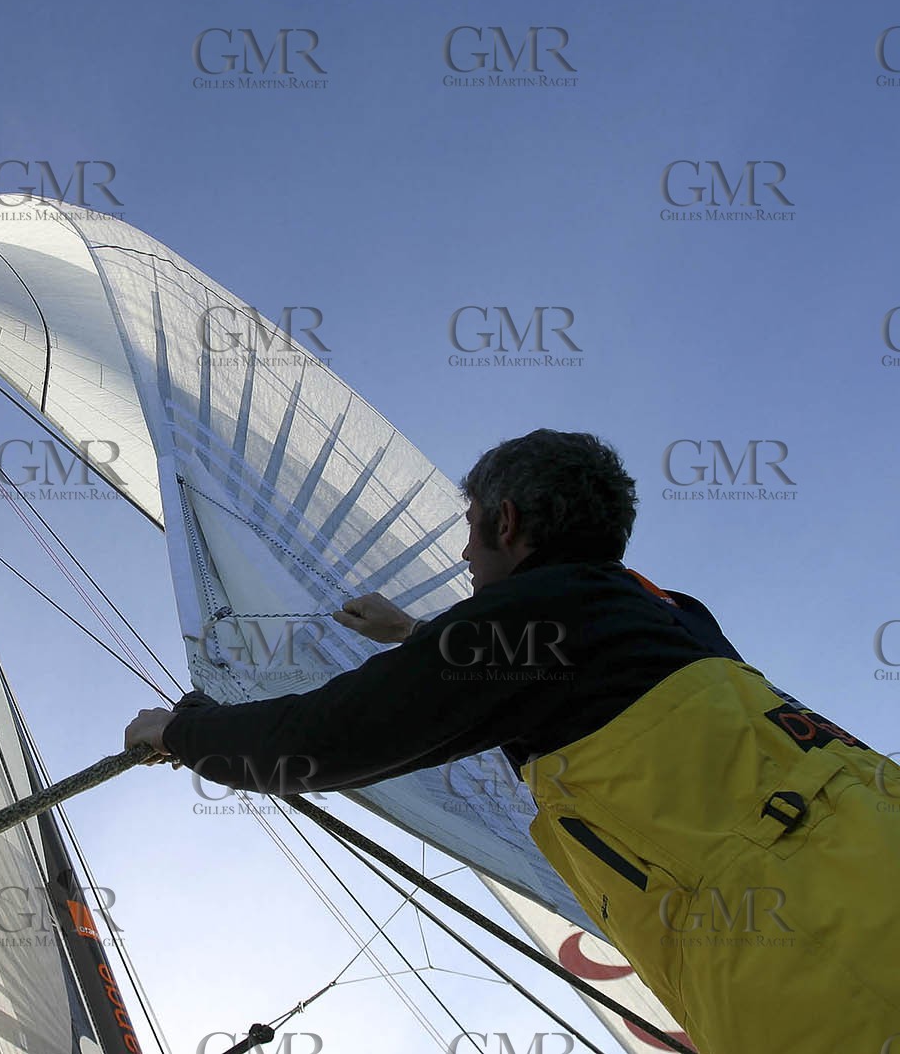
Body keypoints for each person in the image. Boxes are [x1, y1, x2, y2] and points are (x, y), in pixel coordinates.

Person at [124, 429, 898, 1054]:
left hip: (825, 960)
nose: (465, 556)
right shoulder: (669, 610)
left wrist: (180, 730)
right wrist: (420, 634)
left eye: (470, 531)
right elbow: (577, 671)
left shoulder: (543, 616)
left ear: (506, 522)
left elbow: (318, 740)